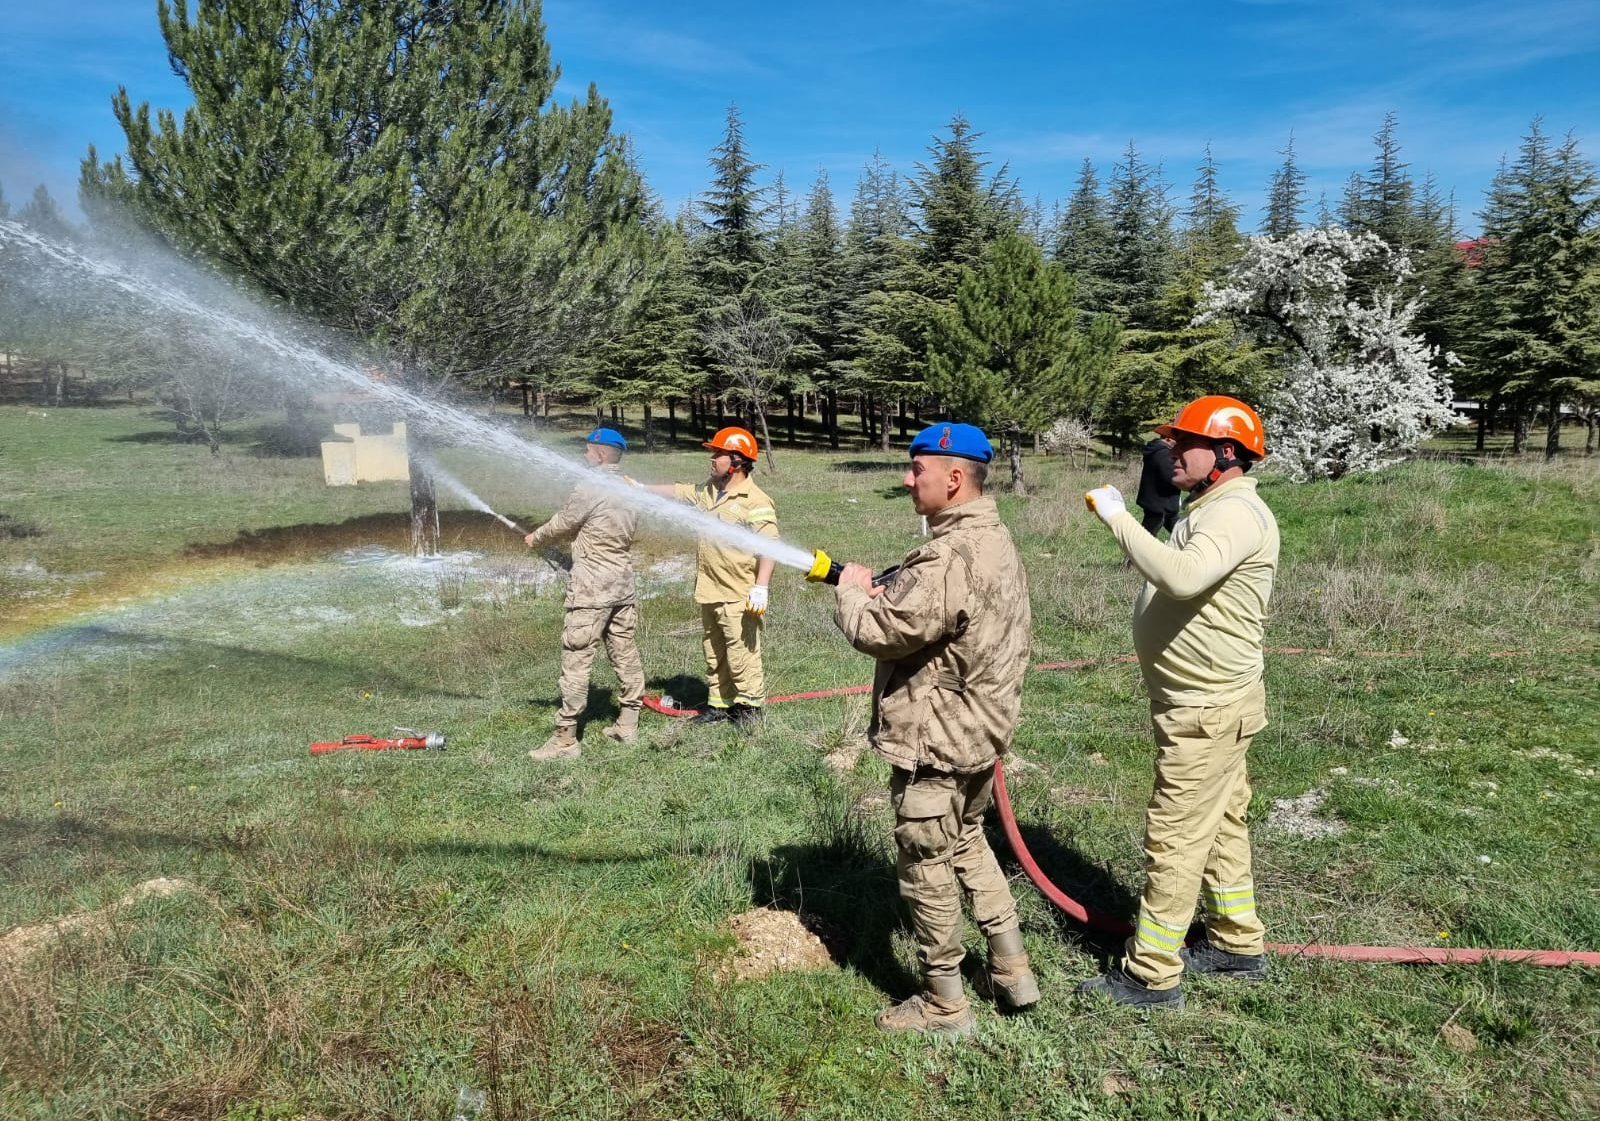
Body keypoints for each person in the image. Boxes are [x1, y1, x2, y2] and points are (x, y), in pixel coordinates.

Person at [831, 422, 1039, 1038]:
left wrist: (850, 593)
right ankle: (1012, 970)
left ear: (953, 478)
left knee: (925, 863)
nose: (905, 478)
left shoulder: (946, 554)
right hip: (979, 733)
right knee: (969, 842)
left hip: (937, 742)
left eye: (914, 468)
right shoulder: (993, 538)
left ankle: (944, 1004)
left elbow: (881, 632)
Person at [1078, 395, 1279, 1008]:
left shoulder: (1235, 514)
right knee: (1220, 825)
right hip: (1206, 704)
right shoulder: (1213, 508)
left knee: (1175, 837)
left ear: (1224, 453)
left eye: (1181, 442)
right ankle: (1236, 943)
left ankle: (1152, 973)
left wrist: (1118, 518)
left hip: (1206, 709)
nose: (1168, 450)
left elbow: (1183, 577)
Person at [638, 427, 776, 729]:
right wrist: (637, 486)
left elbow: (771, 548)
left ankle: (750, 710)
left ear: (737, 460)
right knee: (714, 652)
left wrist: (761, 587)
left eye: (718, 454)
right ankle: (720, 705)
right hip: (710, 589)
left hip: (739, 592)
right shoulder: (708, 491)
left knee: (742, 654)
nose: (712, 459)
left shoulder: (755, 500)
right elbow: (678, 491)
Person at [523, 428, 645, 762]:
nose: (584, 456)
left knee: (576, 658)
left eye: (588, 451)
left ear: (602, 454)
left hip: (591, 589)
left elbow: (565, 521)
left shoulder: (591, 486)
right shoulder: (630, 488)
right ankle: (628, 725)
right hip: (622, 584)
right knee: (625, 653)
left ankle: (565, 741)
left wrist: (536, 537)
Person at [1137, 434, 1181, 538]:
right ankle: (1130, 555)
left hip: (1159, 504)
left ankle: (1192, 552)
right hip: (1160, 506)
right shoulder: (1163, 453)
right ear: (1168, 438)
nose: (1179, 442)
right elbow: (1171, 477)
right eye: (1177, 439)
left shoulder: (1154, 450)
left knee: (1181, 533)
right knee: (1144, 539)